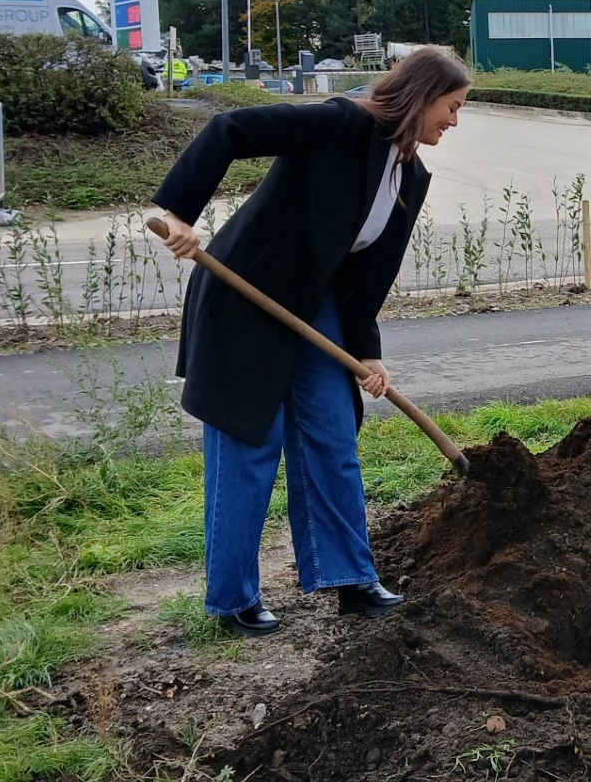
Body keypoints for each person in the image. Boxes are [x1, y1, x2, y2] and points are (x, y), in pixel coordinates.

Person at [150, 46, 471, 636]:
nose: (454, 121)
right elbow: (230, 127)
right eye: (451, 107)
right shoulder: (341, 122)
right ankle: (233, 598)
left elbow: (367, 275)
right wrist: (176, 211)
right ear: (422, 96)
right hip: (249, 290)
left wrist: (366, 351)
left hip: (316, 303)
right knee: (250, 439)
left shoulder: (411, 175)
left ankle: (349, 577)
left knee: (331, 432)